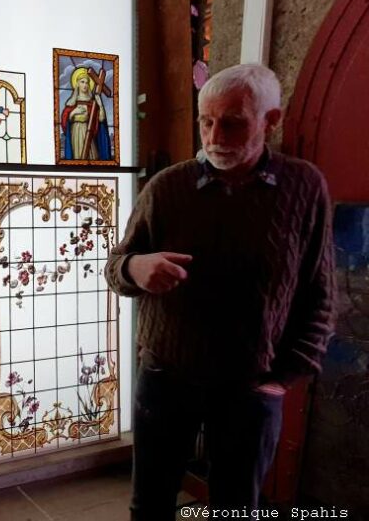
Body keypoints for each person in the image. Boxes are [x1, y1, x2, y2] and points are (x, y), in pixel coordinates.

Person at [104, 64, 334, 520]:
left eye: (232, 123)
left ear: (271, 120)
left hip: (252, 386)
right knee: (150, 504)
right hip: (166, 377)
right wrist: (135, 267)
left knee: (237, 506)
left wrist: (283, 377)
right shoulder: (167, 187)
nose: (214, 137)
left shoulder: (304, 188)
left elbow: (320, 294)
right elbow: (115, 266)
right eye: (206, 122)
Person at [61, 66, 112, 161]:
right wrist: (72, 113)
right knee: (77, 156)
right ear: (77, 84)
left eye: (87, 82)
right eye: (82, 82)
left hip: (88, 131)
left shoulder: (92, 103)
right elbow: (65, 123)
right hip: (75, 132)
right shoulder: (71, 102)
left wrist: (100, 105)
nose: (85, 85)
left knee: (92, 156)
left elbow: (101, 120)